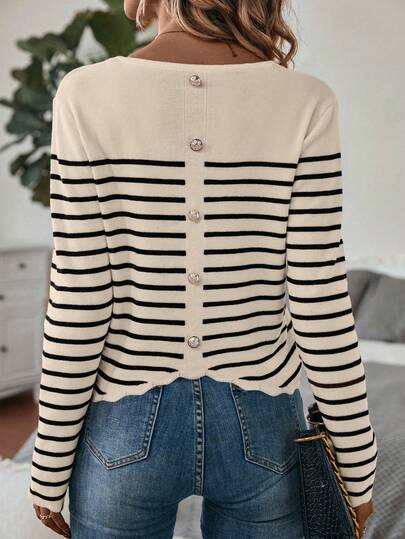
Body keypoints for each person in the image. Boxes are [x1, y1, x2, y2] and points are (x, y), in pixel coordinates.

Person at [30, 0, 377, 537]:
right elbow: (320, 297)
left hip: (124, 421)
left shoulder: (84, 93)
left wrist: (49, 464)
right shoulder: (307, 100)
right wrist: (357, 467)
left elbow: (80, 294)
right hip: (264, 422)